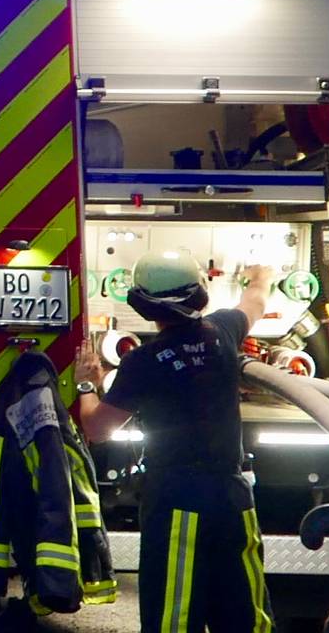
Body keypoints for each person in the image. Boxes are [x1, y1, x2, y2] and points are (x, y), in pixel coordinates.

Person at [74, 257, 274, 633]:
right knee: (244, 608)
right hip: (234, 496)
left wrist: (87, 385)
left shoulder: (141, 362)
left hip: (176, 500)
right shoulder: (225, 330)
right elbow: (256, 302)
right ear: (199, 292)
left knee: (174, 612)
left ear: (141, 303)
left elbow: (98, 429)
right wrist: (260, 274)